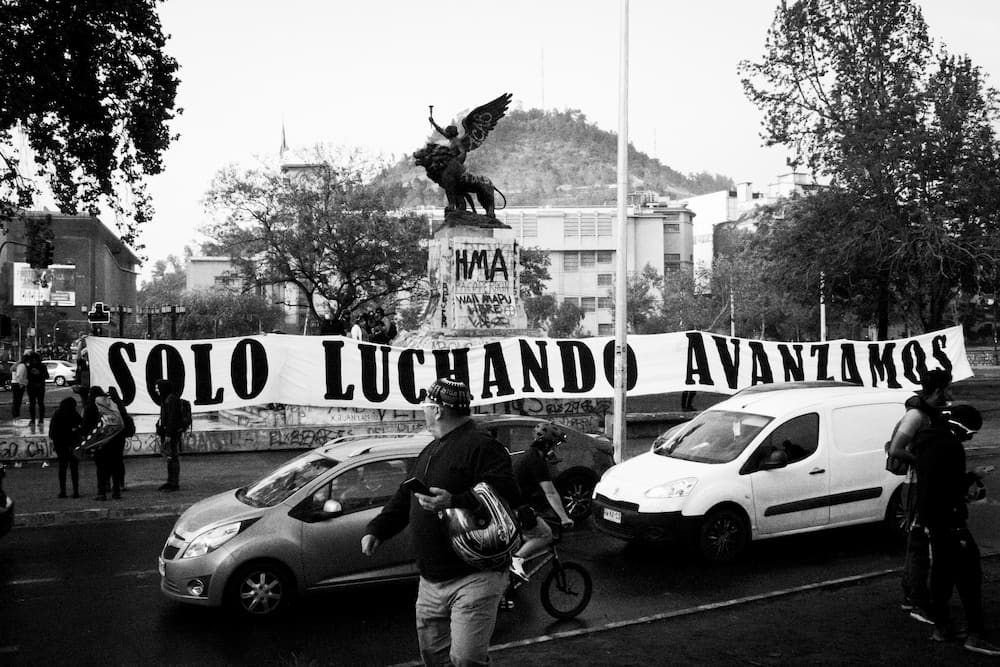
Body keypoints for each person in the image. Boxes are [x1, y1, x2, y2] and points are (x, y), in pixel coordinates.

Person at [362, 377, 519, 667]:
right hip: (431, 580)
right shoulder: (432, 449)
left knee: (466, 660)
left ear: (437, 410)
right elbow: (406, 495)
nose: (422, 410)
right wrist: (378, 529)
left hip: (474, 576)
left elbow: (507, 493)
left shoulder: (482, 446)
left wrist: (455, 500)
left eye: (425, 405)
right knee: (434, 658)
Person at [914, 404, 1000, 656]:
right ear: (961, 428)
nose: (971, 437)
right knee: (970, 574)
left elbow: (935, 480)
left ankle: (942, 626)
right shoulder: (951, 446)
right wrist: (972, 478)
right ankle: (976, 633)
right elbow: (949, 485)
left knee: (941, 571)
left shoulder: (927, 439)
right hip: (950, 518)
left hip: (932, 516)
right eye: (970, 432)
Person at [887, 368, 952, 622]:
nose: (951, 393)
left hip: (922, 484)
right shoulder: (916, 416)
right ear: (938, 391)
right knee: (918, 544)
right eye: (948, 388)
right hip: (915, 486)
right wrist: (926, 463)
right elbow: (896, 449)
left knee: (919, 543)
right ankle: (915, 599)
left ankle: (912, 595)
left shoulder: (928, 414)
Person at [509, 422, 574, 580]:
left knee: (527, 535)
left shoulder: (530, 455)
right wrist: (564, 517)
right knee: (545, 535)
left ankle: (508, 580)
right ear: (547, 444)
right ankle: (515, 560)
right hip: (518, 508)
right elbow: (550, 492)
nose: (555, 448)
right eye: (554, 444)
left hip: (511, 504)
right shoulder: (536, 461)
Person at [83, 386, 125, 500]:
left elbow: (86, 425)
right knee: (115, 465)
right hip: (116, 439)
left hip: (101, 441)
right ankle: (116, 491)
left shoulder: (91, 406)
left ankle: (101, 492)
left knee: (101, 467)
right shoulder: (112, 403)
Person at [49, 396, 83, 498]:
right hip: (73, 445)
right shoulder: (74, 414)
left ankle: (63, 491)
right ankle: (75, 491)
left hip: (60, 445)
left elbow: (52, 433)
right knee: (74, 469)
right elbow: (82, 425)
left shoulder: (57, 414)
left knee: (62, 468)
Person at [155, 379, 184, 492]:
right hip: (168, 433)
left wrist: (168, 434)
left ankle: (174, 483)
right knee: (169, 457)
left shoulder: (171, 400)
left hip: (171, 434)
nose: (156, 390)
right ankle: (170, 481)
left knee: (173, 457)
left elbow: (172, 419)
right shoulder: (166, 399)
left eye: (157, 387)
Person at [25, 351, 49, 426]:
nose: (34, 361)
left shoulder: (42, 366)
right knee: (32, 403)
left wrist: (39, 373)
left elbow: (47, 376)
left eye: (35, 359)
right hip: (31, 387)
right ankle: (32, 420)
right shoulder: (28, 367)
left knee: (40, 403)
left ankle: (41, 420)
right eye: (33, 359)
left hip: (40, 386)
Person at [11, 352, 28, 420]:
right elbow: (19, 376)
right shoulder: (22, 366)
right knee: (17, 401)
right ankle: (16, 416)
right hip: (18, 384)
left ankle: (15, 415)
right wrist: (21, 384)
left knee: (16, 400)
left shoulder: (16, 365)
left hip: (15, 383)